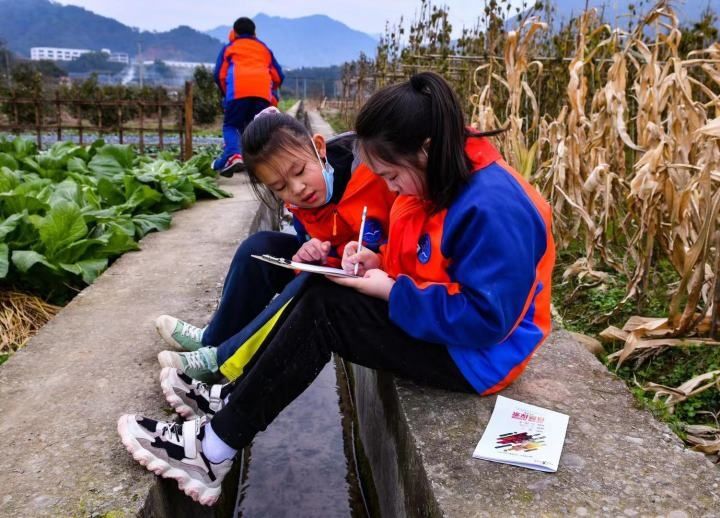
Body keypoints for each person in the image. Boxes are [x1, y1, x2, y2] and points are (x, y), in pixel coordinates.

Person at [118, 72, 555, 506]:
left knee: (327, 309)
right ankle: (226, 405)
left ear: (425, 149)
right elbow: (425, 263)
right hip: (444, 328)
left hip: (476, 358)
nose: (387, 187)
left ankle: (212, 450)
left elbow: (486, 322)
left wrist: (390, 291)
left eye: (389, 175)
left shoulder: (495, 207)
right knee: (323, 287)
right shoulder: (433, 180)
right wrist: (375, 262)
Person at [154, 107, 397, 383]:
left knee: (311, 284)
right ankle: (213, 338)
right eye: (280, 186)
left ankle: (219, 361)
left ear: (318, 147)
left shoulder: (372, 175)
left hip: (379, 282)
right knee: (258, 249)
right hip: (338, 269)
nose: (297, 189)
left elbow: (400, 245)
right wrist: (310, 253)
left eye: (300, 171)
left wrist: (341, 259)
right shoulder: (299, 201)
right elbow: (314, 252)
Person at [212, 17, 284, 176]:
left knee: (231, 126)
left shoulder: (230, 47)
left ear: (234, 32)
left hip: (237, 93)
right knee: (258, 130)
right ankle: (262, 165)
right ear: (255, 33)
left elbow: (219, 75)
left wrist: (227, 93)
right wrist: (270, 92)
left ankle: (234, 156)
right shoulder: (263, 48)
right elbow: (278, 76)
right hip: (262, 95)